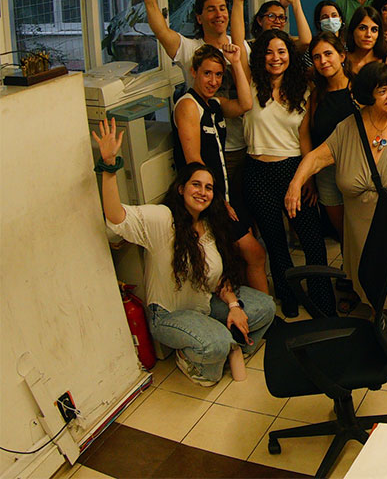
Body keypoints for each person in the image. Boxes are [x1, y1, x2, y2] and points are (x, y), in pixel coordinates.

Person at [95, 119, 274, 386]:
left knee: (266, 307)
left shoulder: (210, 225)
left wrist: (234, 306)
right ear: (181, 189)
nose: (202, 192)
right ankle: (201, 354)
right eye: (196, 185)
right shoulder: (163, 219)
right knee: (213, 366)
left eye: (208, 188)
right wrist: (109, 166)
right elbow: (115, 216)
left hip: (204, 304)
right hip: (169, 314)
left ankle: (226, 345)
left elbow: (219, 280)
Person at [285, 61, 387, 347]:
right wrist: (296, 183)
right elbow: (316, 157)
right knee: (370, 271)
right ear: (368, 94)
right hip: (362, 225)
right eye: (382, 91)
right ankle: (379, 313)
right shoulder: (347, 128)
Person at [138, 0, 252, 241]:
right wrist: (150, 1)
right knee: (221, 226)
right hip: (209, 152)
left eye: (222, 8)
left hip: (241, 143)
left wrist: (238, 2)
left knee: (243, 219)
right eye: (211, 9)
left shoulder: (238, 46)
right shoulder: (191, 48)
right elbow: (162, 32)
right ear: (199, 17)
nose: (218, 14)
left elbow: (245, 98)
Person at [235, 29, 334, 318]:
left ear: (290, 56)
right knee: (275, 243)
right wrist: (238, 4)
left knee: (312, 241)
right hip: (257, 173)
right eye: (269, 52)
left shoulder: (304, 89)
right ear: (260, 56)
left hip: (293, 170)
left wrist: (308, 178)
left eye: (281, 51)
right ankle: (288, 297)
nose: (275, 58)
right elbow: (238, 45)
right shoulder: (250, 83)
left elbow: (305, 139)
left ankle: (322, 303)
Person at [171, 43, 268, 294]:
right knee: (255, 254)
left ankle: (251, 305)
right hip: (206, 197)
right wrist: (217, 202)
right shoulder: (188, 105)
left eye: (218, 75)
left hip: (223, 191)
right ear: (194, 72)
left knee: (245, 255)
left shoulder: (214, 104)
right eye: (207, 73)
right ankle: (262, 310)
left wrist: (235, 63)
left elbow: (245, 104)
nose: (213, 81)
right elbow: (194, 162)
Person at [299, 33, 356, 239]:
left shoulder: (358, 88)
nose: (323, 61)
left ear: (342, 56)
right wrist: (309, 176)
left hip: (357, 169)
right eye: (317, 57)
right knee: (343, 235)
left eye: (328, 54)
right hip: (326, 174)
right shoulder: (316, 95)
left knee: (361, 231)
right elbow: (306, 134)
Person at [344, 5, 387, 76]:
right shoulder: (341, 60)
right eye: (363, 28)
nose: (368, 34)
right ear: (353, 30)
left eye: (374, 30)